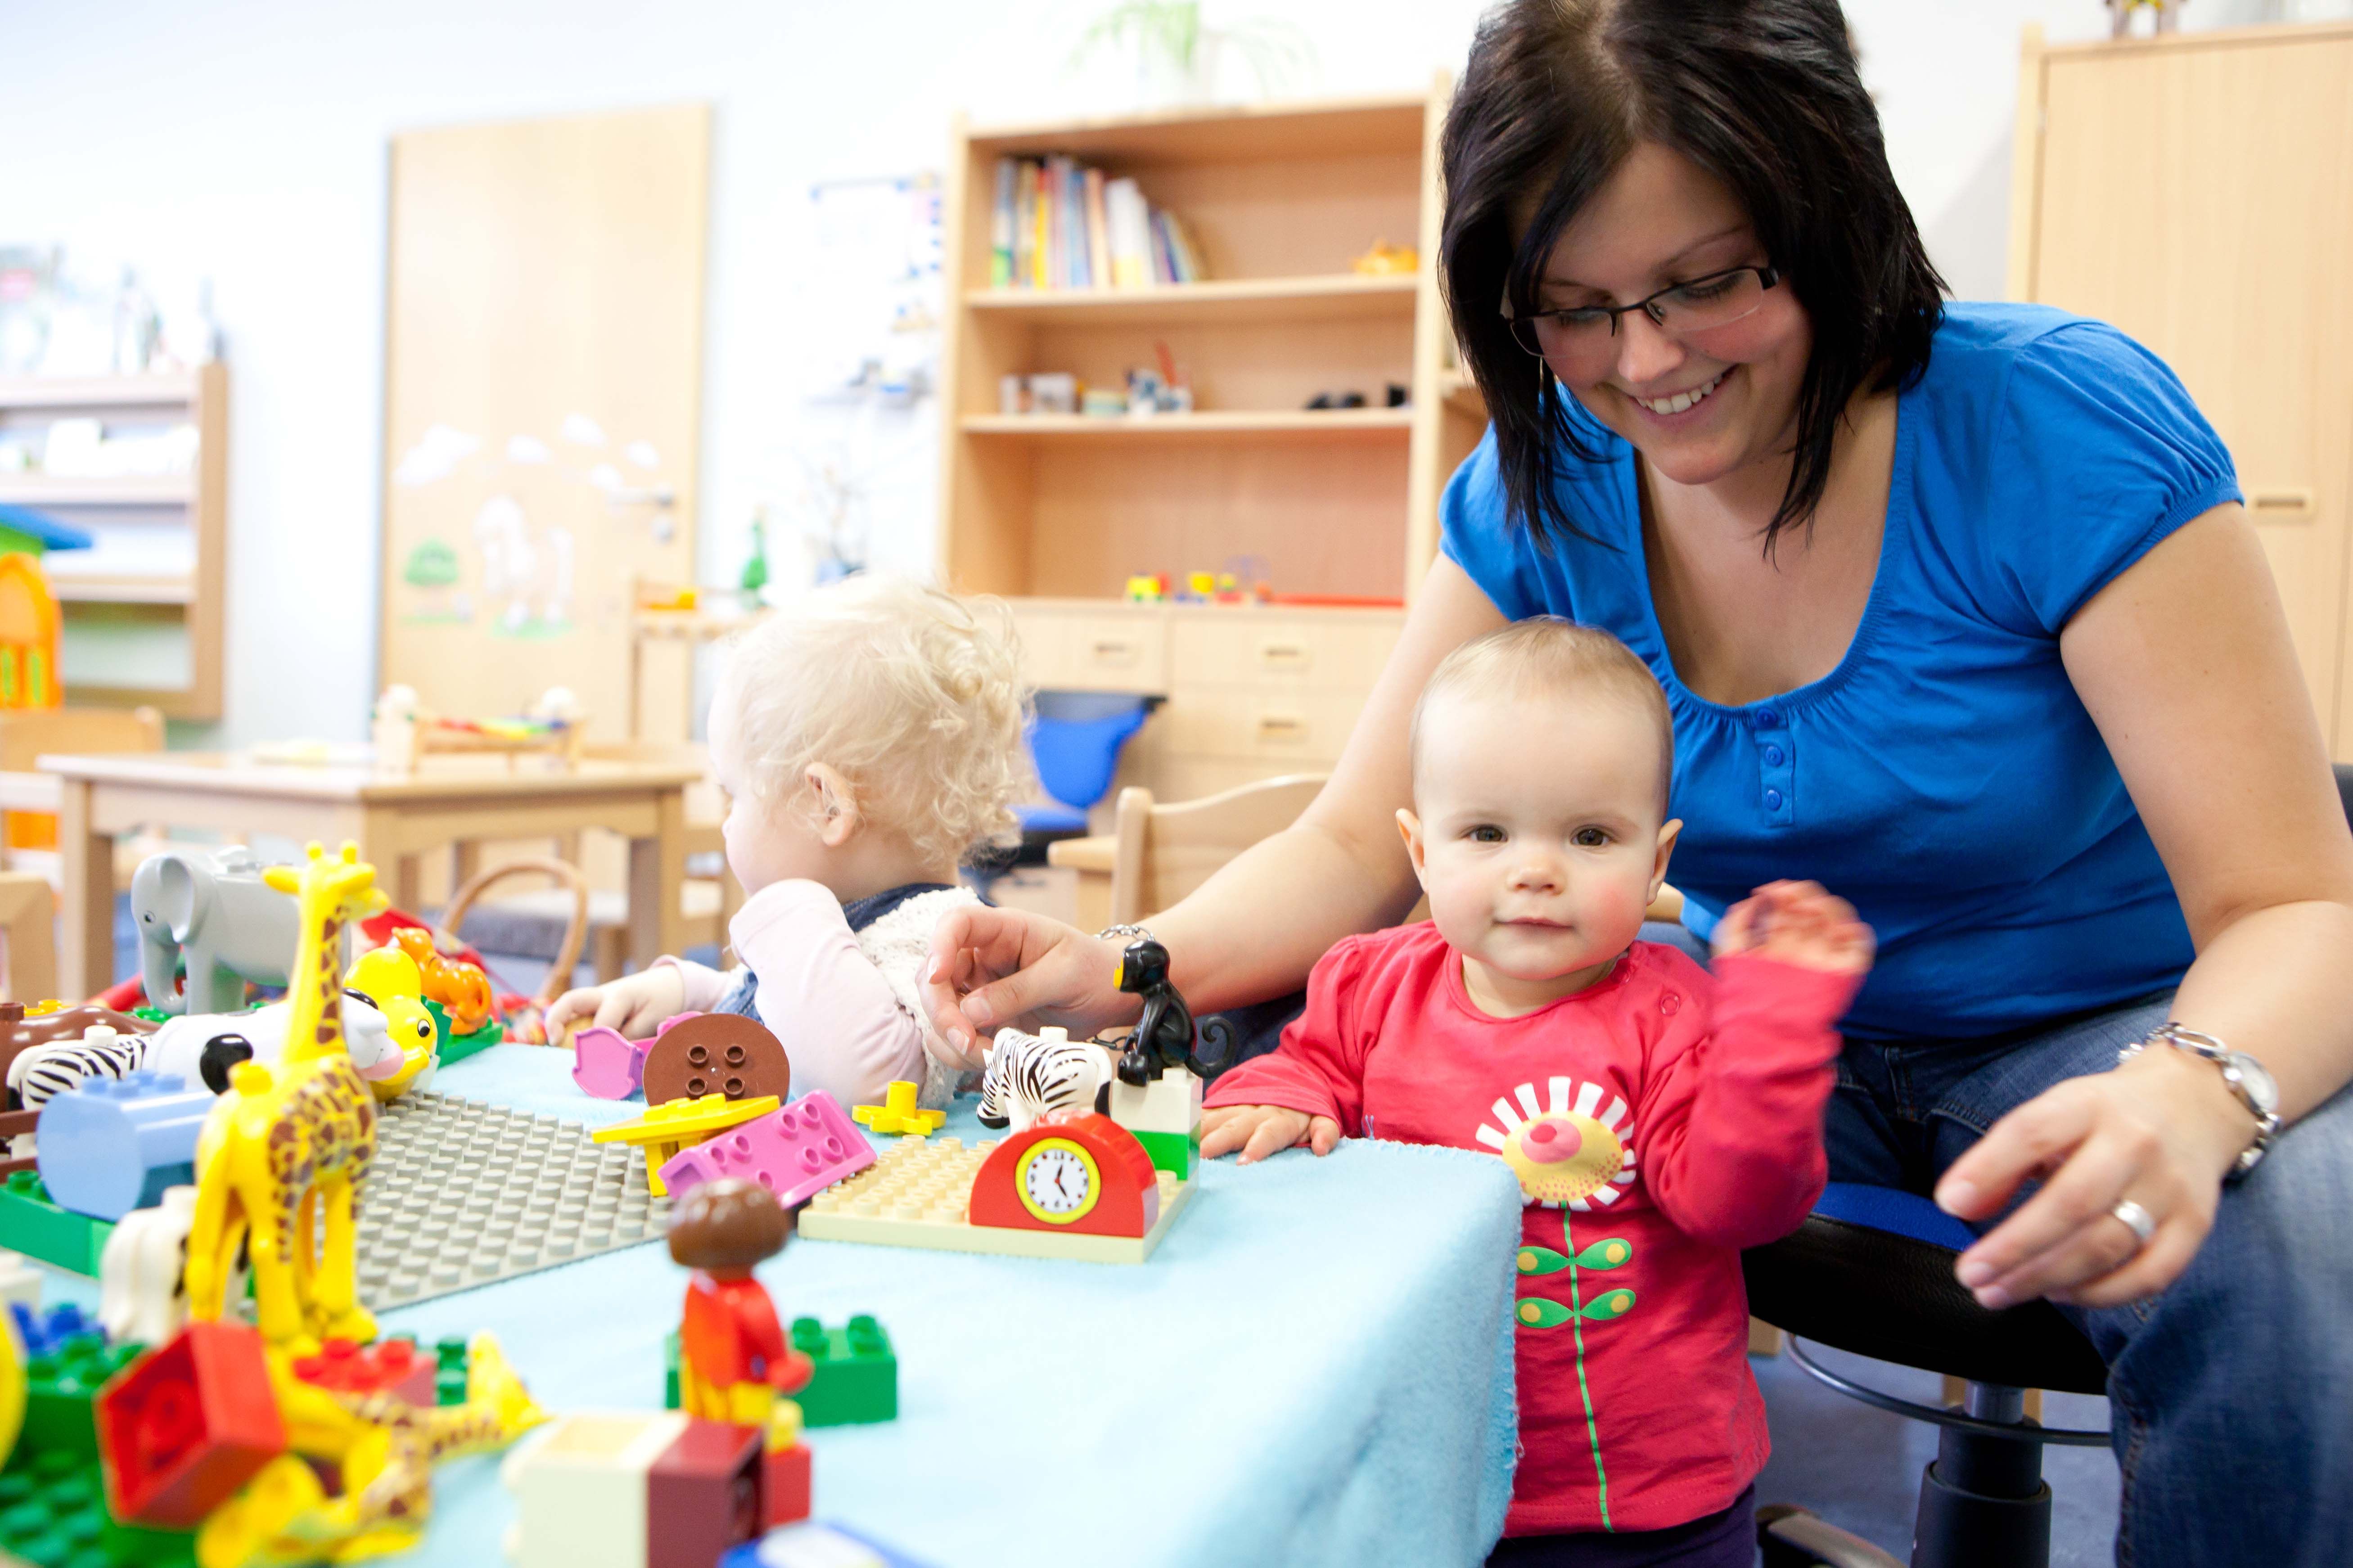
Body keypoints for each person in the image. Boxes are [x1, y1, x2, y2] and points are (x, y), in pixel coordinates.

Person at [924, 3, 2353, 1560]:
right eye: (1574, 307)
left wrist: (2190, 1089)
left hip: (2100, 1026)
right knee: (1303, 1044)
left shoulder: (2053, 423)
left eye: (1705, 281)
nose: (1645, 360)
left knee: (2293, 1222)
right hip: (1724, 1020)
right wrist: (1122, 968)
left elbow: (2296, 904)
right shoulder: (1540, 482)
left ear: (1829, 220)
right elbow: (1354, 840)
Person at [1204, 620, 1871, 1563]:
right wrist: (1283, 1095)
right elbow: (1301, 1066)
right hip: (1429, 1465)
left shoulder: (1677, 1012)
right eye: (1484, 831)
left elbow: (1739, 1204)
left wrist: (1770, 1041)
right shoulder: (1364, 983)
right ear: (1421, 849)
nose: (1534, 868)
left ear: (1656, 861)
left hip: (1645, 1496)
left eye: (1590, 834)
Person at [552, 573, 1029, 1110]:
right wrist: (685, 995)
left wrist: (788, 904)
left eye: (735, 797)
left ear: (825, 804)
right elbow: (783, 1020)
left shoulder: (941, 945)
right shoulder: (844, 933)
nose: (727, 823)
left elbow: (872, 1081)